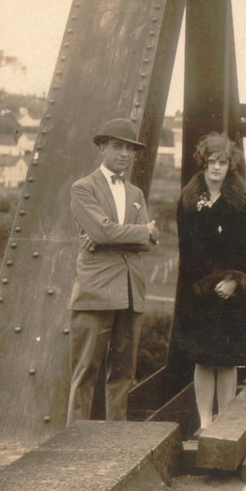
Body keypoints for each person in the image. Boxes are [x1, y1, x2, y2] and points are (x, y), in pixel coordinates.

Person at [67, 118, 160, 424]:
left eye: (129, 149)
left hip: (131, 290)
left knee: (123, 373)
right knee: (85, 372)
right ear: (102, 148)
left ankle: (115, 441)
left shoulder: (135, 193)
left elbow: (147, 242)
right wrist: (139, 231)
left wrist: (116, 235)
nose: (124, 154)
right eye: (117, 147)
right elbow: (103, 231)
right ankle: (75, 441)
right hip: (96, 290)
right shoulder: (83, 188)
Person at [173, 133, 246, 429]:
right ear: (203, 163)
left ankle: (225, 419)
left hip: (232, 290)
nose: (216, 168)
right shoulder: (188, 200)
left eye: (222, 162)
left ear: (229, 165)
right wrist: (206, 283)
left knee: (227, 360)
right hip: (199, 291)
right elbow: (186, 248)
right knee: (203, 359)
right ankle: (205, 422)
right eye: (212, 162)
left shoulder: (243, 201)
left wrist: (235, 280)